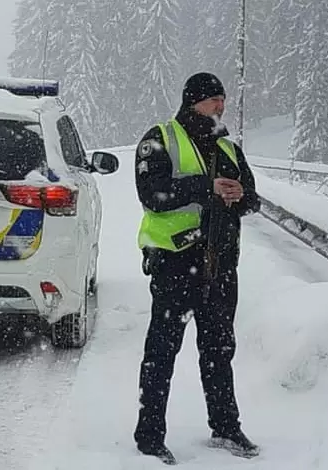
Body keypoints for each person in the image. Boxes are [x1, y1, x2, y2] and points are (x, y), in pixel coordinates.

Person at [132, 72, 260, 465]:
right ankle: (150, 436)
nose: (220, 107)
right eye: (212, 100)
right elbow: (152, 195)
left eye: (222, 99)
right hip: (176, 262)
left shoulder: (229, 147)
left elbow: (251, 197)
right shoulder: (161, 138)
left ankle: (225, 427)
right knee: (162, 351)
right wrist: (206, 188)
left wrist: (241, 196)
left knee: (219, 350)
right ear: (193, 103)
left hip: (220, 266)